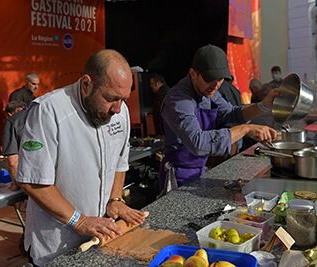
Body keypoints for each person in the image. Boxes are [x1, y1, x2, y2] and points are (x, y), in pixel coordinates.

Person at [16, 49, 147, 266]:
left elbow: (120, 161)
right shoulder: (48, 112)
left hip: (100, 237)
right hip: (57, 244)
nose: (118, 108)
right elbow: (33, 181)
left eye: (123, 99)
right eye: (111, 98)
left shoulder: (119, 111)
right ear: (87, 84)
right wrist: (80, 221)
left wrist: (114, 199)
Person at [160, 44, 278, 189]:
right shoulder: (178, 100)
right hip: (177, 176)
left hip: (200, 170)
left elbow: (232, 114)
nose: (216, 85)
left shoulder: (209, 91)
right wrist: (246, 129)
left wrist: (264, 105)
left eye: (220, 79)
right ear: (193, 74)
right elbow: (198, 143)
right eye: (210, 78)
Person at [2, 100, 28, 191]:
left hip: (31, 180)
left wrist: (16, 184)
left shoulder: (11, 121)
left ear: (9, 114)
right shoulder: (40, 114)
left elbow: (12, 161)